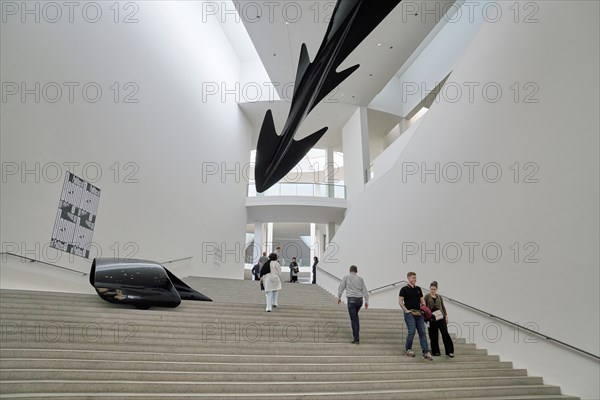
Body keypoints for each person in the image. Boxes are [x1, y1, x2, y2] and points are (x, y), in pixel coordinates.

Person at [399, 272, 433, 360]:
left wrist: (423, 307)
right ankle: (408, 349)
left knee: (422, 332)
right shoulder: (404, 289)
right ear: (408, 278)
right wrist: (406, 310)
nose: (415, 279)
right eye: (413, 278)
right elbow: (400, 301)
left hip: (419, 313)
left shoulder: (418, 289)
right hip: (410, 313)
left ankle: (425, 352)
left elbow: (422, 300)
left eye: (415, 278)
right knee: (412, 331)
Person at [337, 265, 369, 344]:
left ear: (350, 270)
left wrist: (339, 297)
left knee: (354, 319)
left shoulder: (346, 277)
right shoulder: (360, 279)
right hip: (359, 300)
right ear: (356, 271)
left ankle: (356, 338)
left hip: (351, 300)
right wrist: (366, 301)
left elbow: (341, 287)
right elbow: (365, 290)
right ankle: (356, 337)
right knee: (355, 317)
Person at [424, 281, 454, 357]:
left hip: (441, 317)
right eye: (431, 289)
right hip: (431, 318)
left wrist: (446, 316)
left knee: (445, 333)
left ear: (436, 289)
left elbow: (443, 307)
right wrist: (426, 318)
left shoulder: (439, 297)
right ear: (429, 289)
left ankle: (449, 351)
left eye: (434, 289)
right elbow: (424, 307)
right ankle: (435, 351)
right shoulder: (426, 296)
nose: (433, 290)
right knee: (433, 335)